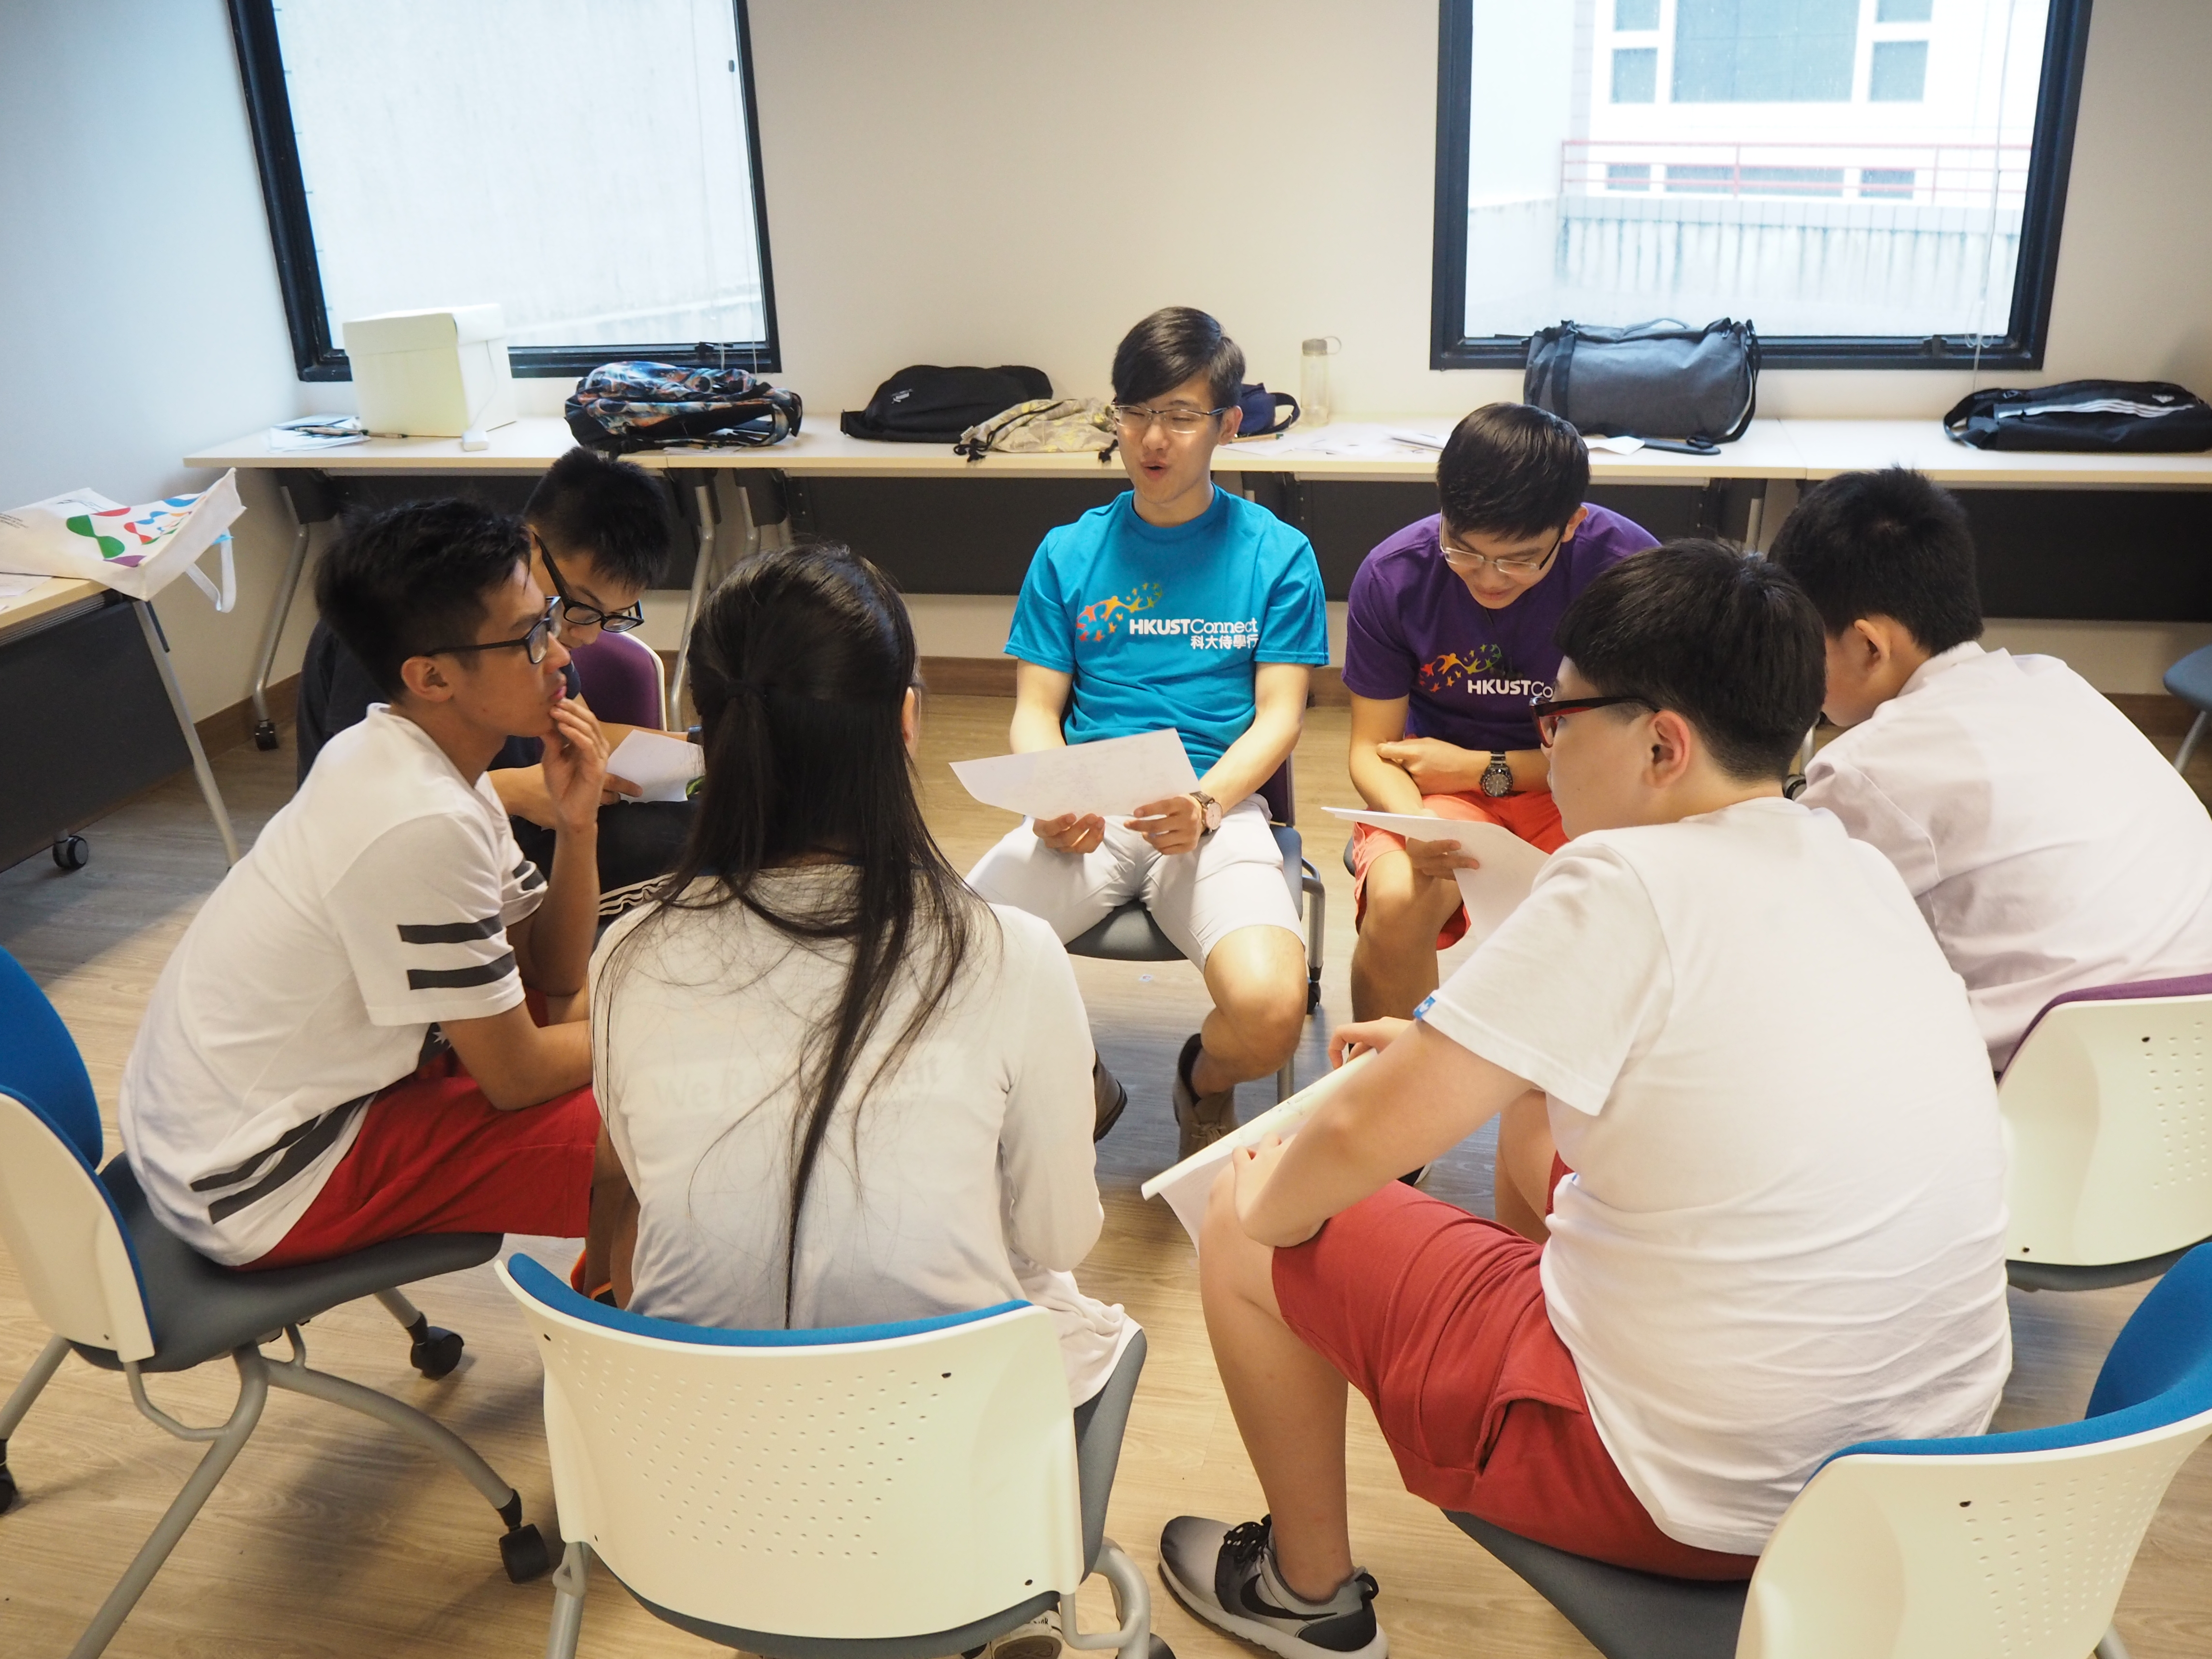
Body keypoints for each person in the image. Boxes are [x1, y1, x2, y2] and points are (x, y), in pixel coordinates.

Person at [1158, 544, 2010, 1659]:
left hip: (1697, 1493)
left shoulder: (1623, 881)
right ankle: (1520, 1355)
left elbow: (1358, 1137)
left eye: (1560, 721)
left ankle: (1302, 1589)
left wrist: (1275, 1204)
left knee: (1246, 1204)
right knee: (1537, 1115)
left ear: (1661, 742)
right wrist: (1441, 1047)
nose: (1542, 750)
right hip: (1918, 1469)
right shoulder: (1850, 860)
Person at [590, 544, 1135, 1415]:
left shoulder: (627, 955)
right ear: (907, 719)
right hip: (933, 1479)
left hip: (690, 1489)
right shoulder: (1008, 954)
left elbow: (653, 1197)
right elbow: (1059, 1234)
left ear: (707, 730)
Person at [121, 500, 629, 1286]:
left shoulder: (408, 751)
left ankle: (616, 1300)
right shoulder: (417, 818)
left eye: (551, 619)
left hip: (230, 1125)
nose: (561, 653)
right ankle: (622, 1345)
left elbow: (552, 975)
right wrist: (663, 1033)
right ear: (430, 676)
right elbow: (518, 1075)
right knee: (653, 1120)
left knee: (610, 1020)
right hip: (262, 1180)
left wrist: (577, 825)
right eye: (530, 638)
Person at [966, 307, 1330, 1158]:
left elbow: (1280, 713)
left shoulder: (1275, 553)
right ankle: (1083, 1082)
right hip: (1086, 810)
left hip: (1210, 811)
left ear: (1226, 425)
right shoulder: (1067, 552)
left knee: (1272, 1014)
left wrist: (1205, 804)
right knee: (937, 967)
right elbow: (1034, 709)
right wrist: (1052, 796)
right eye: (1134, 413)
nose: (1151, 439)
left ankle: (1200, 1080)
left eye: (1178, 416)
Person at [1770, 467, 2212, 1070]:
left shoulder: (1866, 767)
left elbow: (1786, 931)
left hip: (2053, 1087)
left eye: (1806, 645)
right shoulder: (2058, 680)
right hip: (2191, 1064)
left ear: (1871, 646)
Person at [1342, 402, 1654, 1022]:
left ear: (1571, 524)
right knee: (1400, 900)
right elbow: (1369, 748)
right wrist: (1419, 829)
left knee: (1608, 912)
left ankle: (1561, 1094)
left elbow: (1639, 755)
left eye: (1518, 560)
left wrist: (1480, 768)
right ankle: (1382, 1098)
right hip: (1434, 787)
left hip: (1580, 779)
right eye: (1464, 550)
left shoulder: (1626, 572)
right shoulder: (1394, 575)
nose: (1488, 579)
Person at [296, 445, 683, 914]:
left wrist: (692, 752)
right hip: (416, 863)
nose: (581, 638)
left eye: (613, 618)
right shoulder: (418, 623)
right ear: (530, 543)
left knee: (707, 819)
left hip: (502, 835)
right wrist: (516, 792)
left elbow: (576, 729)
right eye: (579, 607)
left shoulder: (536, 627)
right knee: (692, 843)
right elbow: (365, 805)